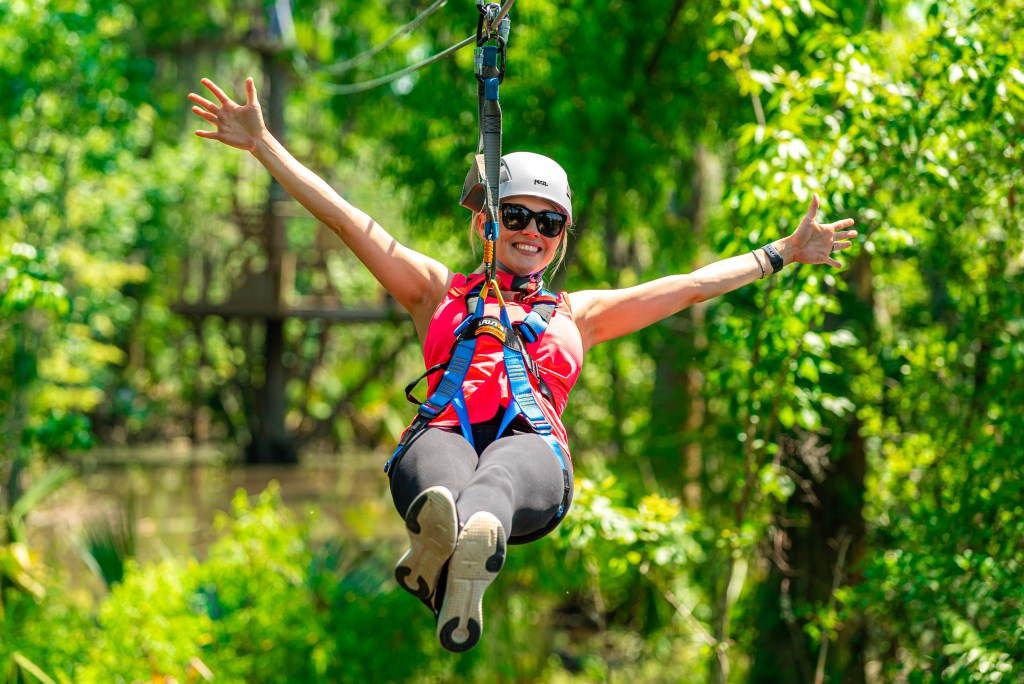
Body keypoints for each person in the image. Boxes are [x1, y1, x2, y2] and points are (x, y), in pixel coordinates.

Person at [188, 77, 857, 653]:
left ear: (561, 238)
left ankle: (468, 544)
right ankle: (441, 542)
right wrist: (264, 145)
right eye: (516, 216)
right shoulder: (435, 290)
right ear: (488, 222)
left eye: (548, 223)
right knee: (443, 473)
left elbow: (690, 286)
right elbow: (348, 221)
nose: (531, 232)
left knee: (501, 473)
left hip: (532, 458)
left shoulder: (581, 312)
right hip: (440, 439)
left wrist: (783, 252)